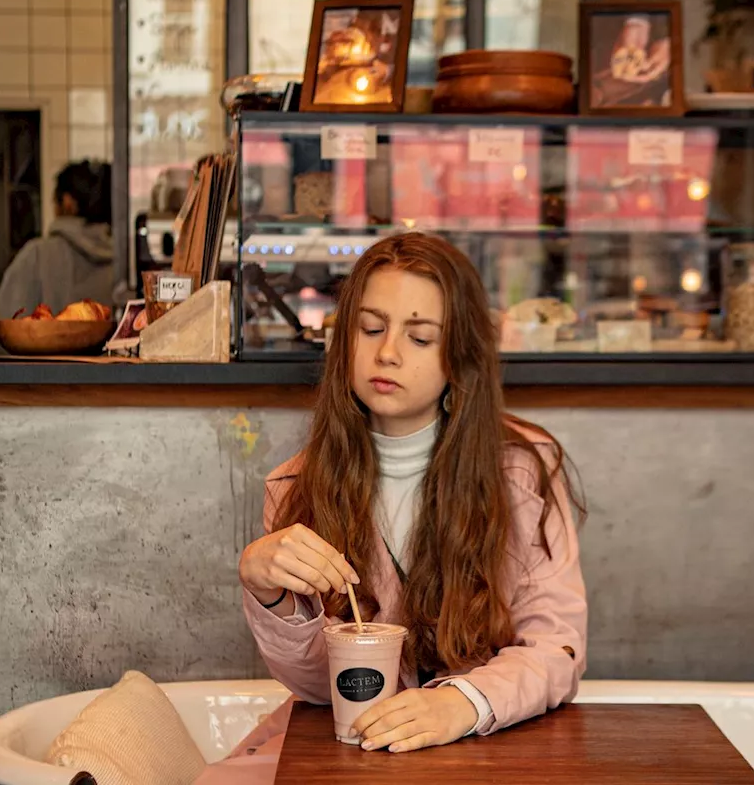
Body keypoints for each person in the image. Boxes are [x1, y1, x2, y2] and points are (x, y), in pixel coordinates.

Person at [230, 232, 587, 767]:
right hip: (362, 761)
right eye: (370, 328)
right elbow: (321, 689)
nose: (388, 352)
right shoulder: (295, 487)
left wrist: (461, 704)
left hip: (489, 758)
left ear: (458, 357)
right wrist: (268, 592)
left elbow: (556, 647)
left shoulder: (522, 469)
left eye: (420, 338)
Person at [0, 160, 114, 348]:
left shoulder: (37, 255)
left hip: (47, 377)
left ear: (67, 202)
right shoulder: (125, 259)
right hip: (115, 375)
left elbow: (6, 335)